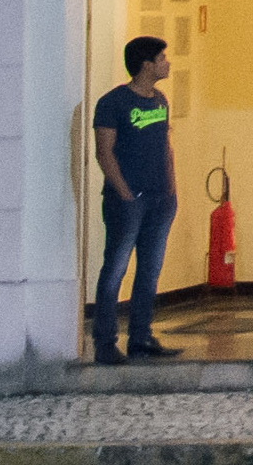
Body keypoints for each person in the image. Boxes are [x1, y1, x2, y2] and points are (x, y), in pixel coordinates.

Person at [88, 35, 181, 365]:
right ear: (146, 65)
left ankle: (141, 337)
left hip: (160, 199)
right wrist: (125, 193)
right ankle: (104, 341)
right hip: (128, 202)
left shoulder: (160, 100)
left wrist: (171, 188)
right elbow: (104, 152)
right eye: (162, 58)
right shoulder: (113, 103)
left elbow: (165, 146)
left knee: (150, 271)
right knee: (115, 269)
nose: (167, 63)